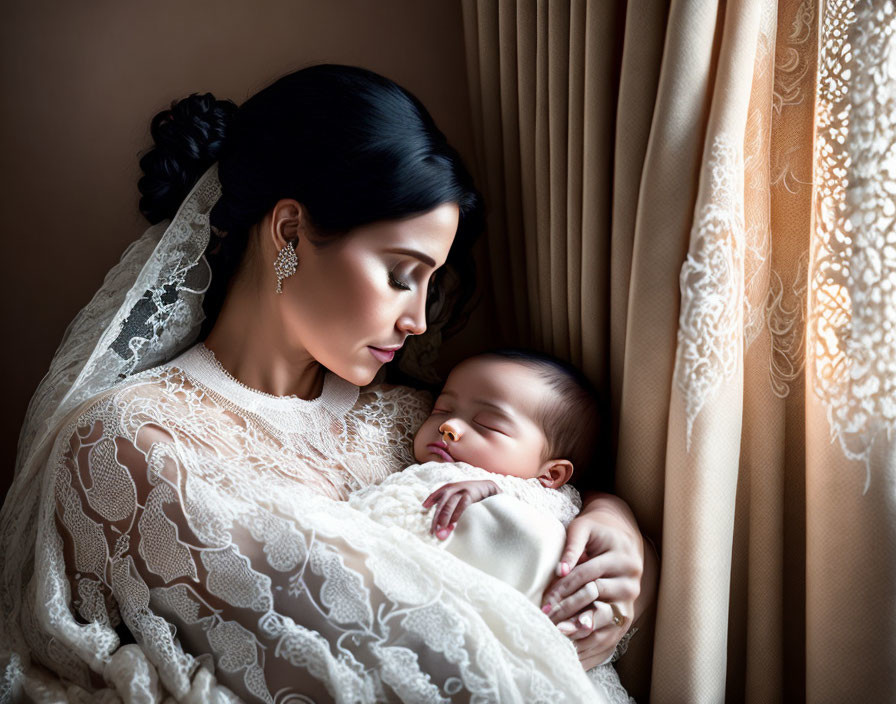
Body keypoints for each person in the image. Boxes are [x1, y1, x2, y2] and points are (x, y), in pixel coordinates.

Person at [0, 64, 656, 702]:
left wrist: (612, 526)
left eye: (432, 280)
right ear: (289, 231)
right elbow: (406, 660)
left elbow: (533, 486)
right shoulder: (133, 441)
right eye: (402, 274)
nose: (420, 319)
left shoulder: (418, 419)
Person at [347, 349, 636, 702]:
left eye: (488, 425)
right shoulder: (419, 468)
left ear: (551, 474)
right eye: (442, 409)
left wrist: (498, 491)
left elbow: (552, 531)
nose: (449, 426)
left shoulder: (552, 502)